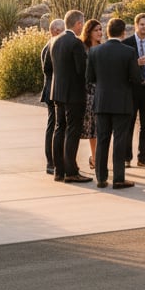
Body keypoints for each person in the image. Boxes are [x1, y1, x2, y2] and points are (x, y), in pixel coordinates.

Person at [86, 17, 138, 189]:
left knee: (102, 139)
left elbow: (89, 78)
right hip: (122, 102)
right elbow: (136, 79)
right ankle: (118, 179)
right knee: (119, 140)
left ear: (107, 32)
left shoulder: (95, 52)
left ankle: (101, 178)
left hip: (101, 101)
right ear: (124, 32)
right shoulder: (129, 52)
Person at [50, 10, 91, 183]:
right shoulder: (75, 43)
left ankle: (58, 170)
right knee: (72, 131)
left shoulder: (55, 40)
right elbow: (82, 70)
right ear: (79, 24)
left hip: (57, 91)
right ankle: (71, 171)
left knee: (59, 129)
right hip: (74, 93)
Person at [121, 13, 145, 168]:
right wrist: (135, 63)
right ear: (136, 25)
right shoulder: (126, 43)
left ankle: (143, 157)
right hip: (132, 88)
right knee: (129, 124)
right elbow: (122, 68)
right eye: (142, 24)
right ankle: (126, 158)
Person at [40, 18, 65, 175]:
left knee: (56, 125)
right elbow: (48, 71)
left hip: (54, 89)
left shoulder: (53, 45)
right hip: (52, 90)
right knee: (53, 125)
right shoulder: (50, 47)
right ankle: (51, 161)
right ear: (55, 30)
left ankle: (57, 160)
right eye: (62, 29)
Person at [80, 19, 104, 170]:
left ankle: (95, 158)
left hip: (101, 92)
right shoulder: (83, 49)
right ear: (89, 32)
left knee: (98, 128)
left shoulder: (103, 49)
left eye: (101, 29)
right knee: (87, 128)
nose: (100, 32)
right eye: (96, 30)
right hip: (86, 93)